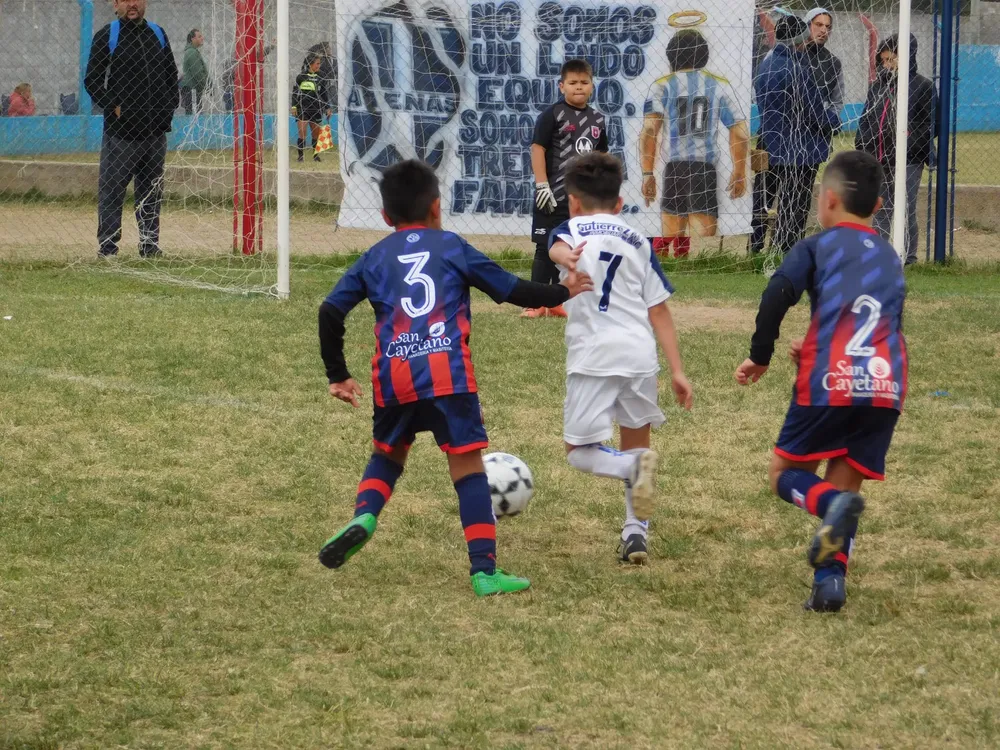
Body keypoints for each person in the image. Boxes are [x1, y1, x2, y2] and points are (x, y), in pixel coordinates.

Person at [316, 159, 594, 597]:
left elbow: (330, 310)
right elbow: (510, 289)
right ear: (437, 207)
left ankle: (365, 515)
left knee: (387, 458)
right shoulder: (451, 246)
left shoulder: (373, 257)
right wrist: (563, 290)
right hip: (449, 378)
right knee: (467, 471)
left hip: (395, 377)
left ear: (387, 217)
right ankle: (485, 572)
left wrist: (338, 374)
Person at [735, 150, 908, 613]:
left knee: (784, 476)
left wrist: (761, 356)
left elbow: (777, 293)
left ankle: (828, 506)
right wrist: (815, 341)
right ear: (876, 208)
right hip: (884, 383)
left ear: (827, 200)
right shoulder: (891, 256)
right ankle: (829, 584)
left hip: (829, 380)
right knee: (846, 487)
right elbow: (877, 320)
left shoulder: (817, 245)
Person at [548, 153, 694, 564]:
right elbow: (659, 310)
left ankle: (629, 469)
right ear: (619, 203)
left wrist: (563, 258)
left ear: (572, 201)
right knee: (636, 439)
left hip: (594, 356)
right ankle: (635, 532)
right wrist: (678, 371)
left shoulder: (571, 229)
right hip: (639, 355)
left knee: (580, 451)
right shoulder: (638, 241)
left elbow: (557, 245)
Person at [640, 29, 750, 258]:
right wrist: (739, 171)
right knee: (702, 242)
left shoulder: (662, 85)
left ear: (672, 56)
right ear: (704, 55)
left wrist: (647, 172)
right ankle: (696, 271)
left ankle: (662, 271)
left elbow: (650, 130)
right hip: (704, 168)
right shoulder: (719, 85)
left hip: (674, 167)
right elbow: (739, 132)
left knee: (669, 233)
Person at [84, 0, 179, 258]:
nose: (132, 4)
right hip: (121, 134)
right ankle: (108, 248)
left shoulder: (158, 34)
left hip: (155, 133)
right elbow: (91, 79)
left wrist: (167, 109)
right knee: (113, 191)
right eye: (125, 0)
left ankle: (149, 246)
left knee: (151, 193)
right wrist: (112, 105)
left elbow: (172, 76)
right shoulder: (108, 35)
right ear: (116, 4)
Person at [749, 14, 840, 256]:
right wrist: (835, 121)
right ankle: (783, 253)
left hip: (770, 142)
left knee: (764, 200)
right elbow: (815, 113)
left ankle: (755, 248)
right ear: (799, 39)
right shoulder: (797, 69)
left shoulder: (765, 65)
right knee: (793, 207)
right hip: (799, 151)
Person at [526, 59, 608, 319]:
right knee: (544, 247)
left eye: (584, 82)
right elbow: (537, 149)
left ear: (592, 86)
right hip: (551, 196)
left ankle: (556, 302)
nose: (579, 87)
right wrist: (542, 185)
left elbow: (601, 157)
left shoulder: (597, 119)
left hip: (580, 201)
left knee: (571, 248)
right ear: (562, 86)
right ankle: (534, 304)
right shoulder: (552, 115)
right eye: (573, 83)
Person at [855, 34, 936, 265]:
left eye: (891, 60)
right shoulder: (877, 87)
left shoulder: (924, 87)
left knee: (905, 206)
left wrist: (907, 146)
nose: (887, 66)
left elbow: (929, 126)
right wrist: (862, 145)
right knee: (881, 207)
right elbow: (867, 118)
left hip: (909, 159)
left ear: (906, 57)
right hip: (879, 157)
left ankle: (908, 257)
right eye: (883, 61)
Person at [803, 9, 844, 131]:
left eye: (828, 26)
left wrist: (826, 124)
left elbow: (837, 102)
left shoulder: (833, 62)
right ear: (807, 25)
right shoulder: (788, 54)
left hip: (818, 135)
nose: (823, 30)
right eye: (818, 24)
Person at [294, 54, 331, 162]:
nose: (319, 65)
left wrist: (327, 107)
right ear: (310, 64)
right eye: (317, 63)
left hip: (316, 108)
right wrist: (294, 106)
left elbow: (324, 93)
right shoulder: (301, 77)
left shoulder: (321, 76)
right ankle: (300, 157)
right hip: (303, 108)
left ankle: (316, 156)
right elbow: (295, 93)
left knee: (316, 134)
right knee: (302, 132)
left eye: (319, 63)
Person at [181, 28, 209, 115]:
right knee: (194, 117)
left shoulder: (193, 52)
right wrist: (207, 86)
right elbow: (198, 73)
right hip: (192, 91)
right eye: (199, 36)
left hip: (193, 91)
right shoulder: (191, 53)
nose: (202, 38)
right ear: (193, 39)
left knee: (194, 116)